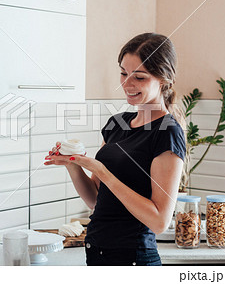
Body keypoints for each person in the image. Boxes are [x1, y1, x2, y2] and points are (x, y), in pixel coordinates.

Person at [44, 33, 186, 266]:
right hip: (97, 254)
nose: (127, 84)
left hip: (133, 259)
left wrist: (103, 172)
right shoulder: (117, 123)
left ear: (163, 79)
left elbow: (160, 222)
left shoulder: (167, 131)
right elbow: (96, 199)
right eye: (123, 73)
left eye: (139, 77)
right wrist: (73, 163)